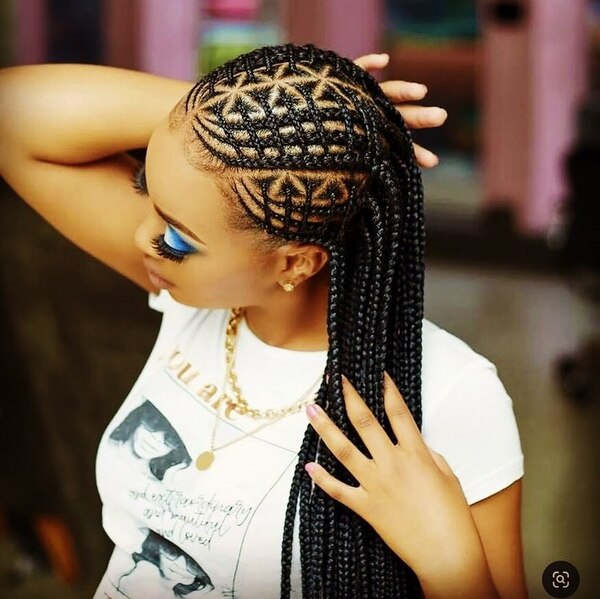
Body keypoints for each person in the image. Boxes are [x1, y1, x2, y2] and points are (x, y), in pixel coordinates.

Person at [0, 45, 526, 598]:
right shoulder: (199, 294)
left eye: (177, 238)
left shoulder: (452, 393)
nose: (141, 238)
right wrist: (270, 116)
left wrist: (450, 558)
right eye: (143, 193)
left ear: (296, 263)